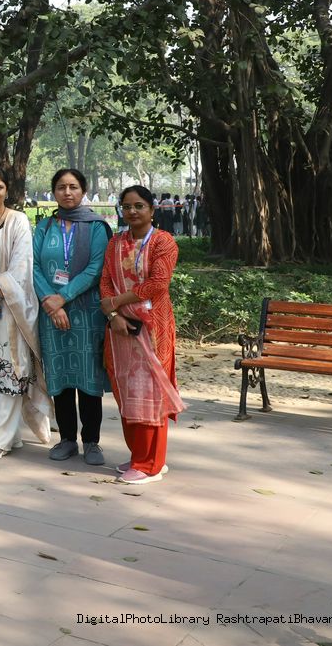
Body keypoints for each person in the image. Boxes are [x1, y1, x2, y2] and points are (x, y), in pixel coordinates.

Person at [100, 186, 184, 485]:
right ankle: (139, 454)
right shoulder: (115, 242)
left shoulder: (163, 241)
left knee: (150, 392)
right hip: (120, 330)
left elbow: (158, 283)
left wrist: (115, 303)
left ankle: (150, 464)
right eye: (126, 206)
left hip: (152, 329)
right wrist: (114, 316)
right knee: (127, 390)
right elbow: (105, 281)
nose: (132, 211)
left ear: (151, 209)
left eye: (139, 206)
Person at [34, 167, 113, 466]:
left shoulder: (96, 226)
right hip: (51, 315)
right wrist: (51, 304)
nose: (67, 192)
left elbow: (96, 268)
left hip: (87, 314)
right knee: (61, 377)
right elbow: (33, 267)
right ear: (54, 191)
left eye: (73, 187)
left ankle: (91, 441)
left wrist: (62, 297)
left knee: (88, 378)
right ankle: (67, 438)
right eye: (61, 187)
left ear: (83, 191)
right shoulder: (44, 226)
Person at [0, 168, 54, 462]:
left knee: (7, 369)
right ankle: (5, 433)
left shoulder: (17, 220)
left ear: (6, 190)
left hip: (9, 308)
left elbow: (22, 264)